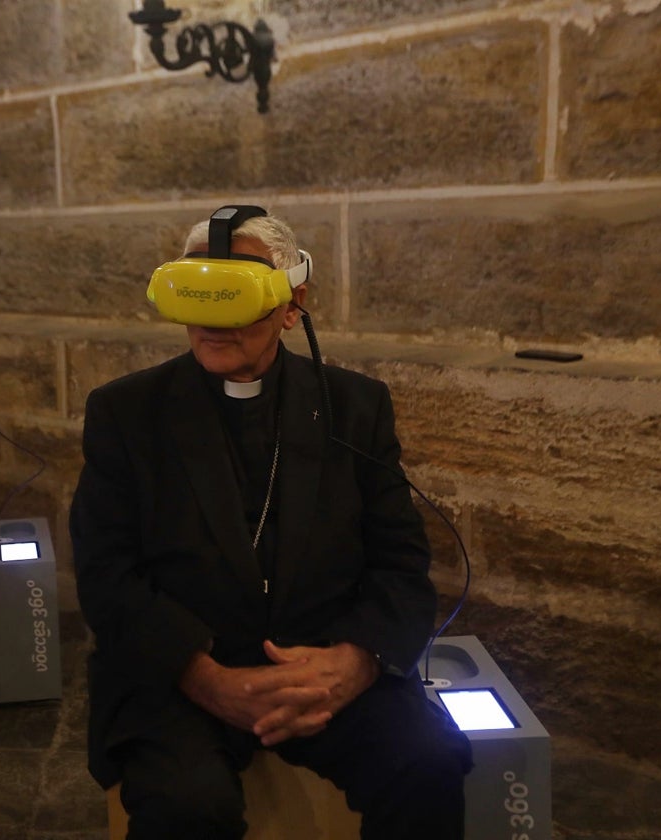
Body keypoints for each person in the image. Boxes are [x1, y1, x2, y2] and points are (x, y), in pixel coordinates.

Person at [70, 206, 472, 838]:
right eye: (201, 291)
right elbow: (105, 574)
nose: (212, 320)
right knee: (186, 805)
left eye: (239, 294)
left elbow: (400, 563)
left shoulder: (355, 408)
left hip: (323, 661)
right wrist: (204, 678)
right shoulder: (126, 413)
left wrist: (355, 663)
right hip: (178, 674)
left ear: (292, 303)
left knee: (428, 763)